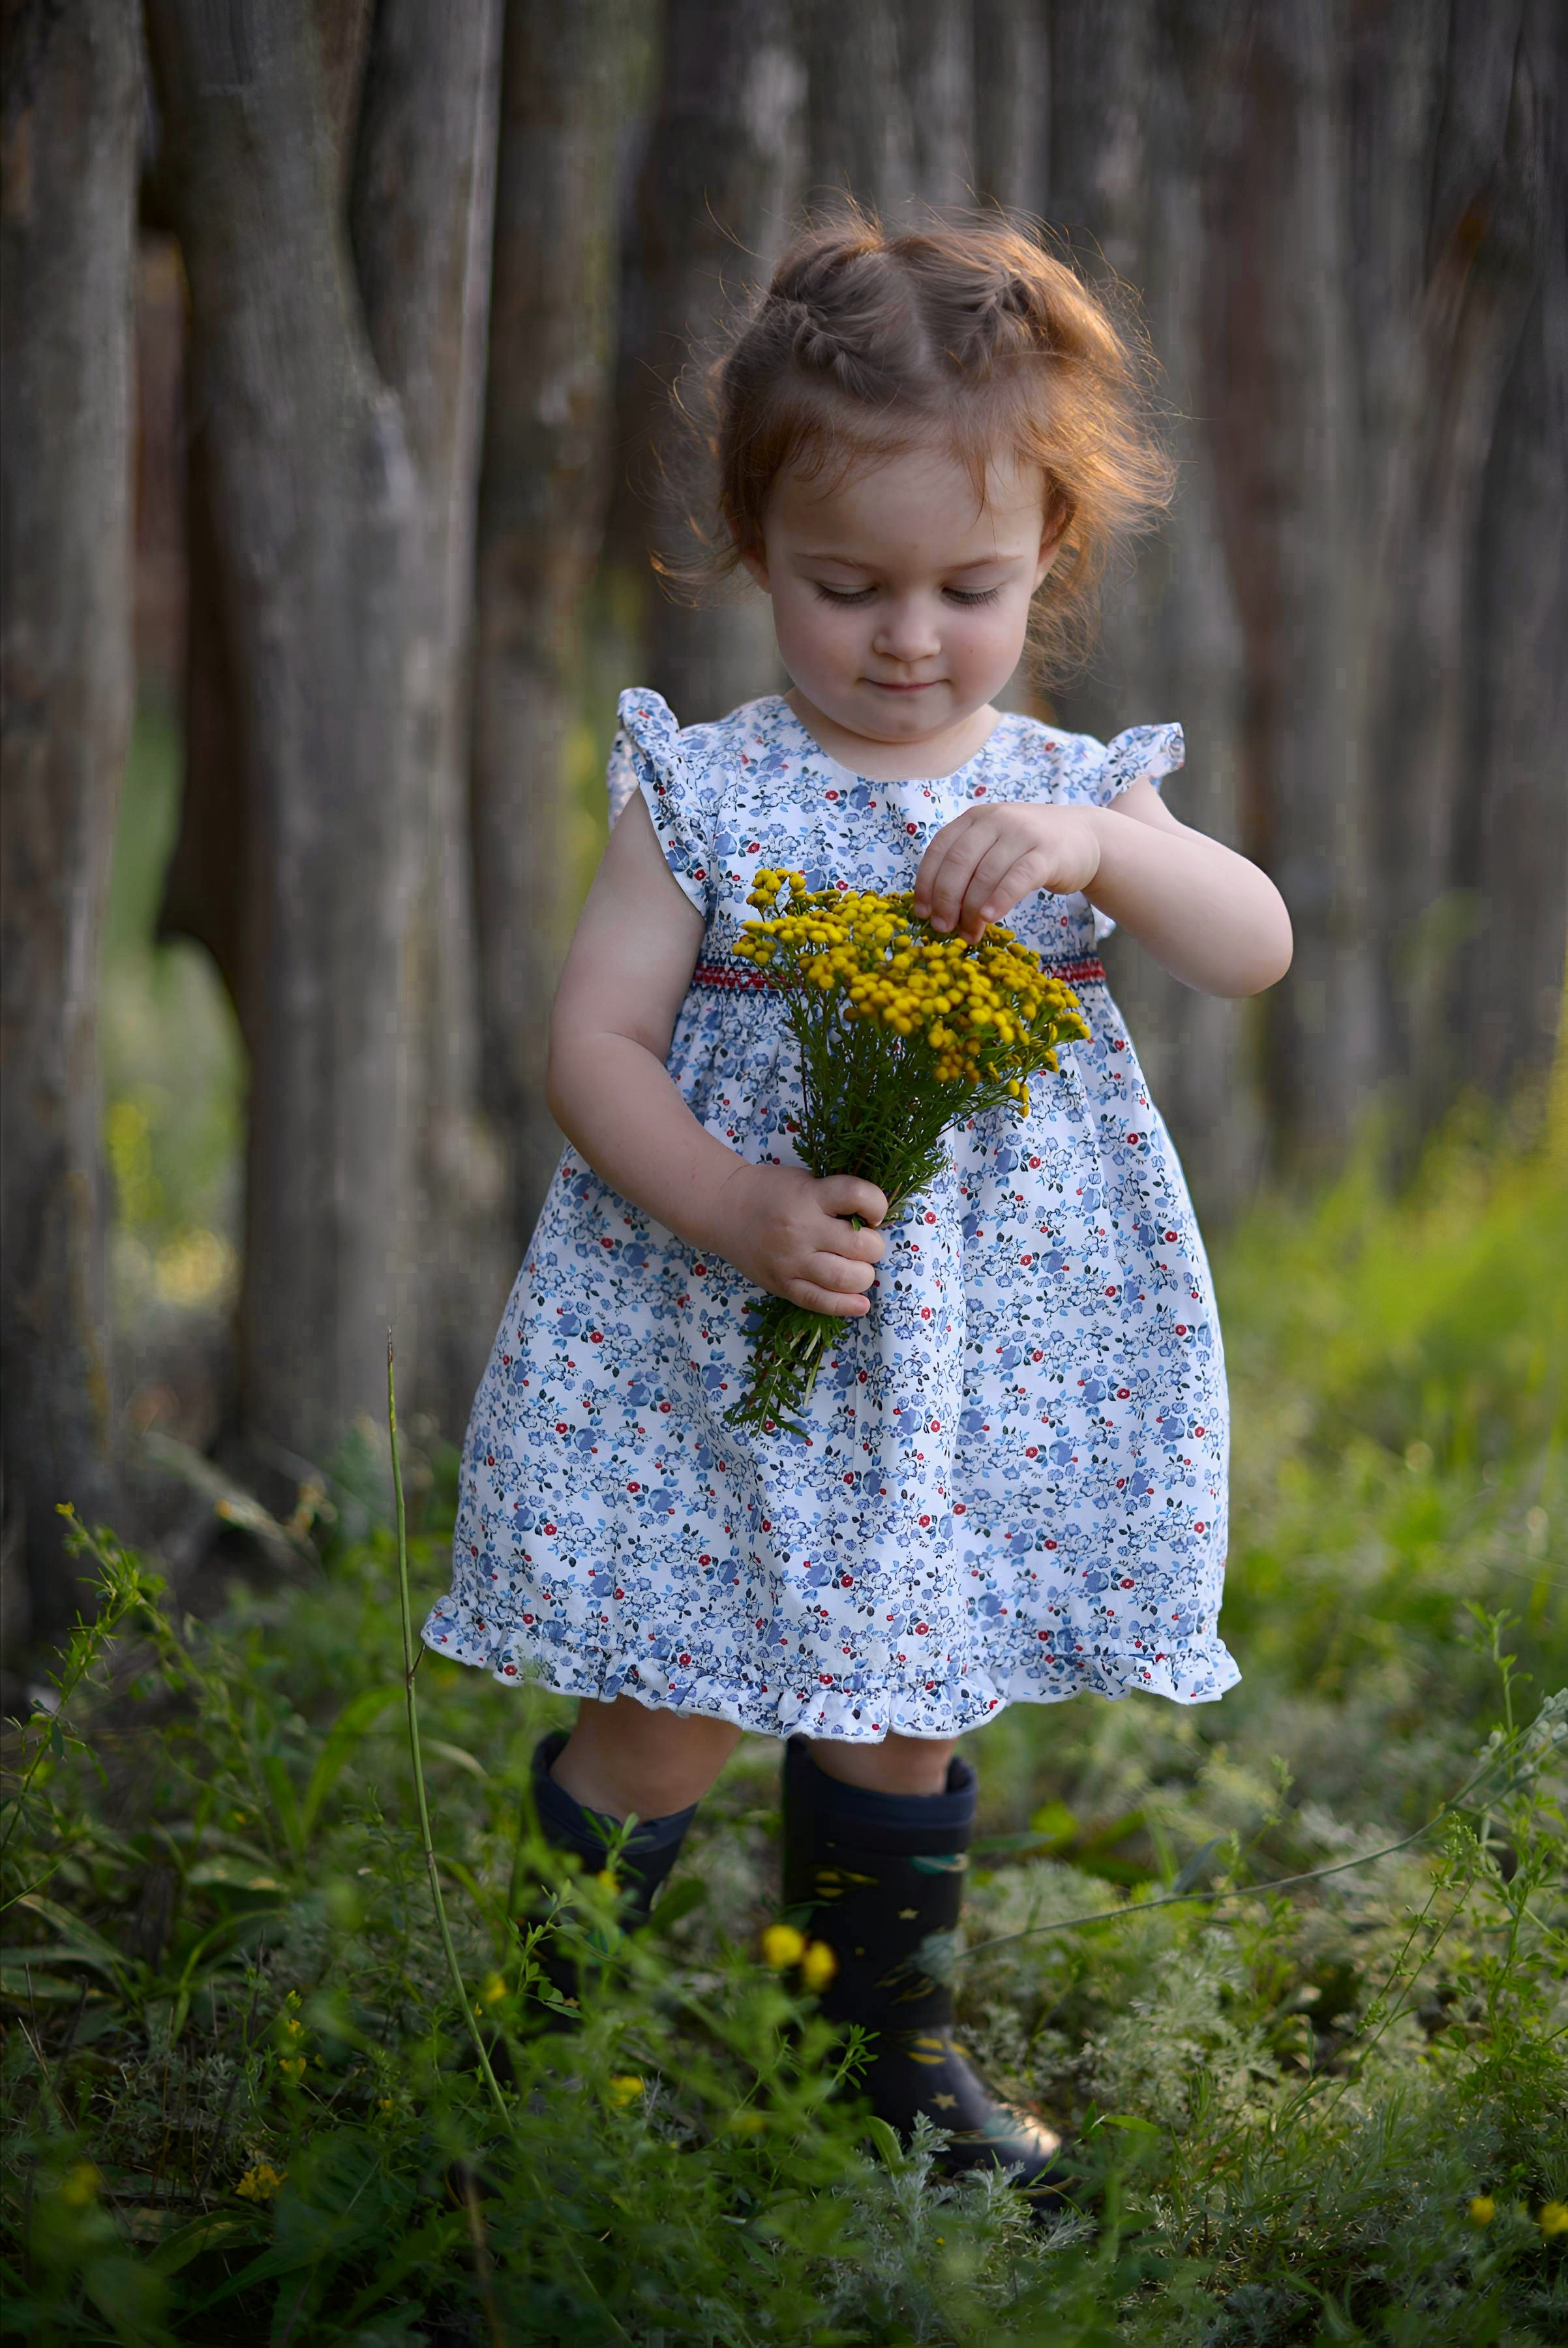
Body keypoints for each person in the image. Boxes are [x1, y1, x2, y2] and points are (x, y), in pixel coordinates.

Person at [424, 205, 1292, 2201]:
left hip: (972, 1366)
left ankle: (879, 2066)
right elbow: (593, 1053)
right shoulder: (702, 794)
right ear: (751, 554)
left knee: (904, 1714)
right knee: (663, 1711)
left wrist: (1096, 840)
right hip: (719, 1333)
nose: (908, 636)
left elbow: (1248, 946)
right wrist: (732, 1207)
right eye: (845, 587)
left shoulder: (1080, 788)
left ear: (1047, 561)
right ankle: (551, 2060)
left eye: (966, 588)